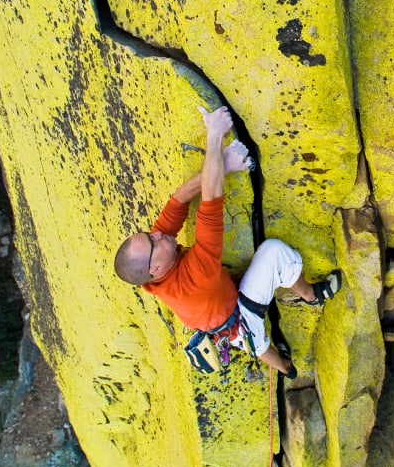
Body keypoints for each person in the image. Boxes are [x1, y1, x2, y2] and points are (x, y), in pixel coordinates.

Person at [114, 106, 340, 379]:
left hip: (217, 310)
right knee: (274, 256)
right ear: (155, 269)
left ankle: (286, 358)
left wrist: (224, 164)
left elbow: (180, 199)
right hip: (236, 318)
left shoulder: (157, 257)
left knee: (254, 344)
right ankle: (305, 314)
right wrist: (214, 135)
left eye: (149, 233)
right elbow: (210, 198)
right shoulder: (195, 277)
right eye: (152, 241)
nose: (158, 233)